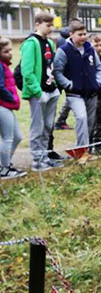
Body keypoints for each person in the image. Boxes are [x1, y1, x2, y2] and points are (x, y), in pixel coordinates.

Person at [20, 12, 64, 171]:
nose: (51, 28)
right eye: (48, 25)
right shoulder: (31, 43)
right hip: (39, 93)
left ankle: (45, 156)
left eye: (52, 25)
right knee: (37, 128)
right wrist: (38, 92)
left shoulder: (50, 43)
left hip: (52, 90)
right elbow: (27, 71)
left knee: (48, 127)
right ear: (38, 24)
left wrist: (55, 88)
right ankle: (37, 161)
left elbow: (51, 66)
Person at [53, 20, 101, 149]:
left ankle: (87, 148)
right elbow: (58, 72)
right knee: (81, 118)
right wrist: (69, 85)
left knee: (90, 122)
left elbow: (98, 67)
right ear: (71, 34)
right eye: (80, 34)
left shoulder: (90, 49)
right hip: (74, 93)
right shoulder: (63, 51)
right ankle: (81, 150)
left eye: (85, 34)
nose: (83, 37)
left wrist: (97, 82)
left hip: (92, 92)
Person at [0, 37, 26, 179]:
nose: (10, 53)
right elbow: (0, 87)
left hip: (7, 105)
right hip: (2, 105)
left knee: (17, 136)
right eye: (6, 51)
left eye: (10, 50)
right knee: (8, 138)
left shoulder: (4, 65)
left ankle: (4, 164)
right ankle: (4, 169)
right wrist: (12, 98)